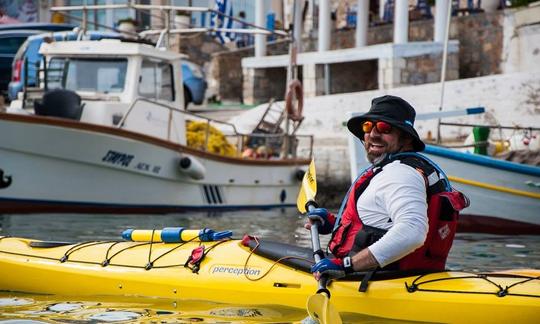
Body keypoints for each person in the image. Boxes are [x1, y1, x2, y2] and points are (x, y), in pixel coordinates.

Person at [307, 95, 468, 280]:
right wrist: (335, 224)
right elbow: (383, 221)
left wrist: (347, 266)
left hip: (377, 281)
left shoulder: (400, 173)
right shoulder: (404, 169)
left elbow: (412, 232)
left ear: (406, 138)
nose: (373, 134)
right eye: (368, 126)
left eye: (384, 128)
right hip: (411, 277)